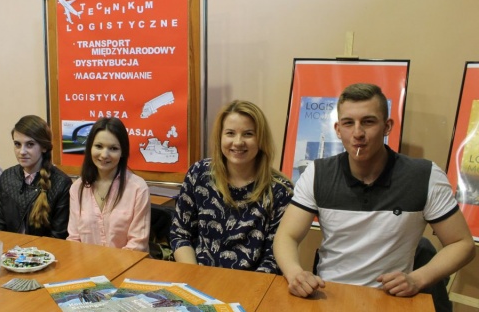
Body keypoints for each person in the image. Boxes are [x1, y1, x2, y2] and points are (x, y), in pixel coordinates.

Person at [273, 83, 476, 299]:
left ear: (387, 126)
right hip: (330, 294)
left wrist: (418, 279)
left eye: (368, 122)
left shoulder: (424, 176)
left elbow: (462, 244)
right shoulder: (317, 173)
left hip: (391, 300)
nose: (358, 133)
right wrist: (295, 273)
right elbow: (287, 236)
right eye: (348, 123)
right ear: (338, 130)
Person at [169, 100, 294, 272]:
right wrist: (195, 276)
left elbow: (274, 258)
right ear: (220, 137)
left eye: (248, 134)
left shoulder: (280, 191)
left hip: (253, 283)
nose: (238, 142)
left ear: (261, 139)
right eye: (230, 133)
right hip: (198, 277)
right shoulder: (199, 174)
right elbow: (180, 234)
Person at [67, 117, 150, 252]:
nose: (104, 154)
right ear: (90, 147)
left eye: (113, 148)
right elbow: (74, 239)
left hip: (127, 263)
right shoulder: (77, 188)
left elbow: (138, 245)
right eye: (99, 146)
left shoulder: (138, 188)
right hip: (87, 264)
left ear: (122, 152)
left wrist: (107, 264)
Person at [0, 115, 71, 238]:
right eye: (17, 144)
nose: (22, 151)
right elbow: (0, 226)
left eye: (30, 144)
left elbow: (58, 237)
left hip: (46, 250)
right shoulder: (7, 177)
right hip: (10, 248)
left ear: (44, 147)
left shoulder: (61, 183)